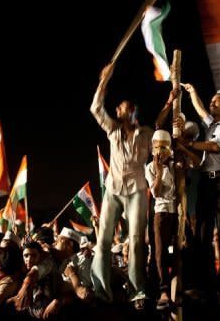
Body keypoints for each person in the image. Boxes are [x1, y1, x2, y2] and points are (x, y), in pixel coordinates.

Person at [89, 63, 153, 310]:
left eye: (122, 106)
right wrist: (104, 81)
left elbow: (161, 142)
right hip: (113, 190)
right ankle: (101, 291)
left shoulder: (146, 134)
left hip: (137, 190)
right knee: (103, 240)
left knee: (137, 241)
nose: (117, 108)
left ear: (133, 111)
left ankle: (137, 291)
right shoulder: (112, 130)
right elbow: (96, 107)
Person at [179, 83, 220, 307]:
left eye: (216, 101)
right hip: (206, 182)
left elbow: (216, 148)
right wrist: (192, 91)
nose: (211, 103)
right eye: (211, 101)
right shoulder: (210, 125)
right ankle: (205, 285)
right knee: (202, 233)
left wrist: (190, 143)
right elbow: (199, 110)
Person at [145, 129, 178, 310]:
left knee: (183, 248)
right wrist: (159, 171)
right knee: (160, 253)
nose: (160, 151)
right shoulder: (150, 168)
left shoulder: (176, 164)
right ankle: (163, 290)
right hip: (162, 213)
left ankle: (184, 284)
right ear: (152, 150)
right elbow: (156, 192)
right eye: (156, 147)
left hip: (178, 213)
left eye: (163, 147)